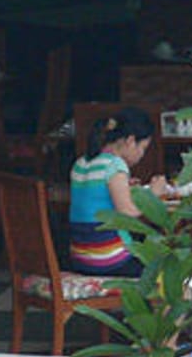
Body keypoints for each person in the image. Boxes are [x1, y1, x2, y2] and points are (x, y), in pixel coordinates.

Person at [65, 108, 171, 278]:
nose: (142, 154)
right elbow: (128, 213)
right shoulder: (115, 165)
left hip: (81, 258)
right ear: (130, 141)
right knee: (168, 267)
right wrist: (153, 193)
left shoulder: (81, 163)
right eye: (143, 147)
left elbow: (96, 197)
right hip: (110, 260)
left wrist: (124, 186)